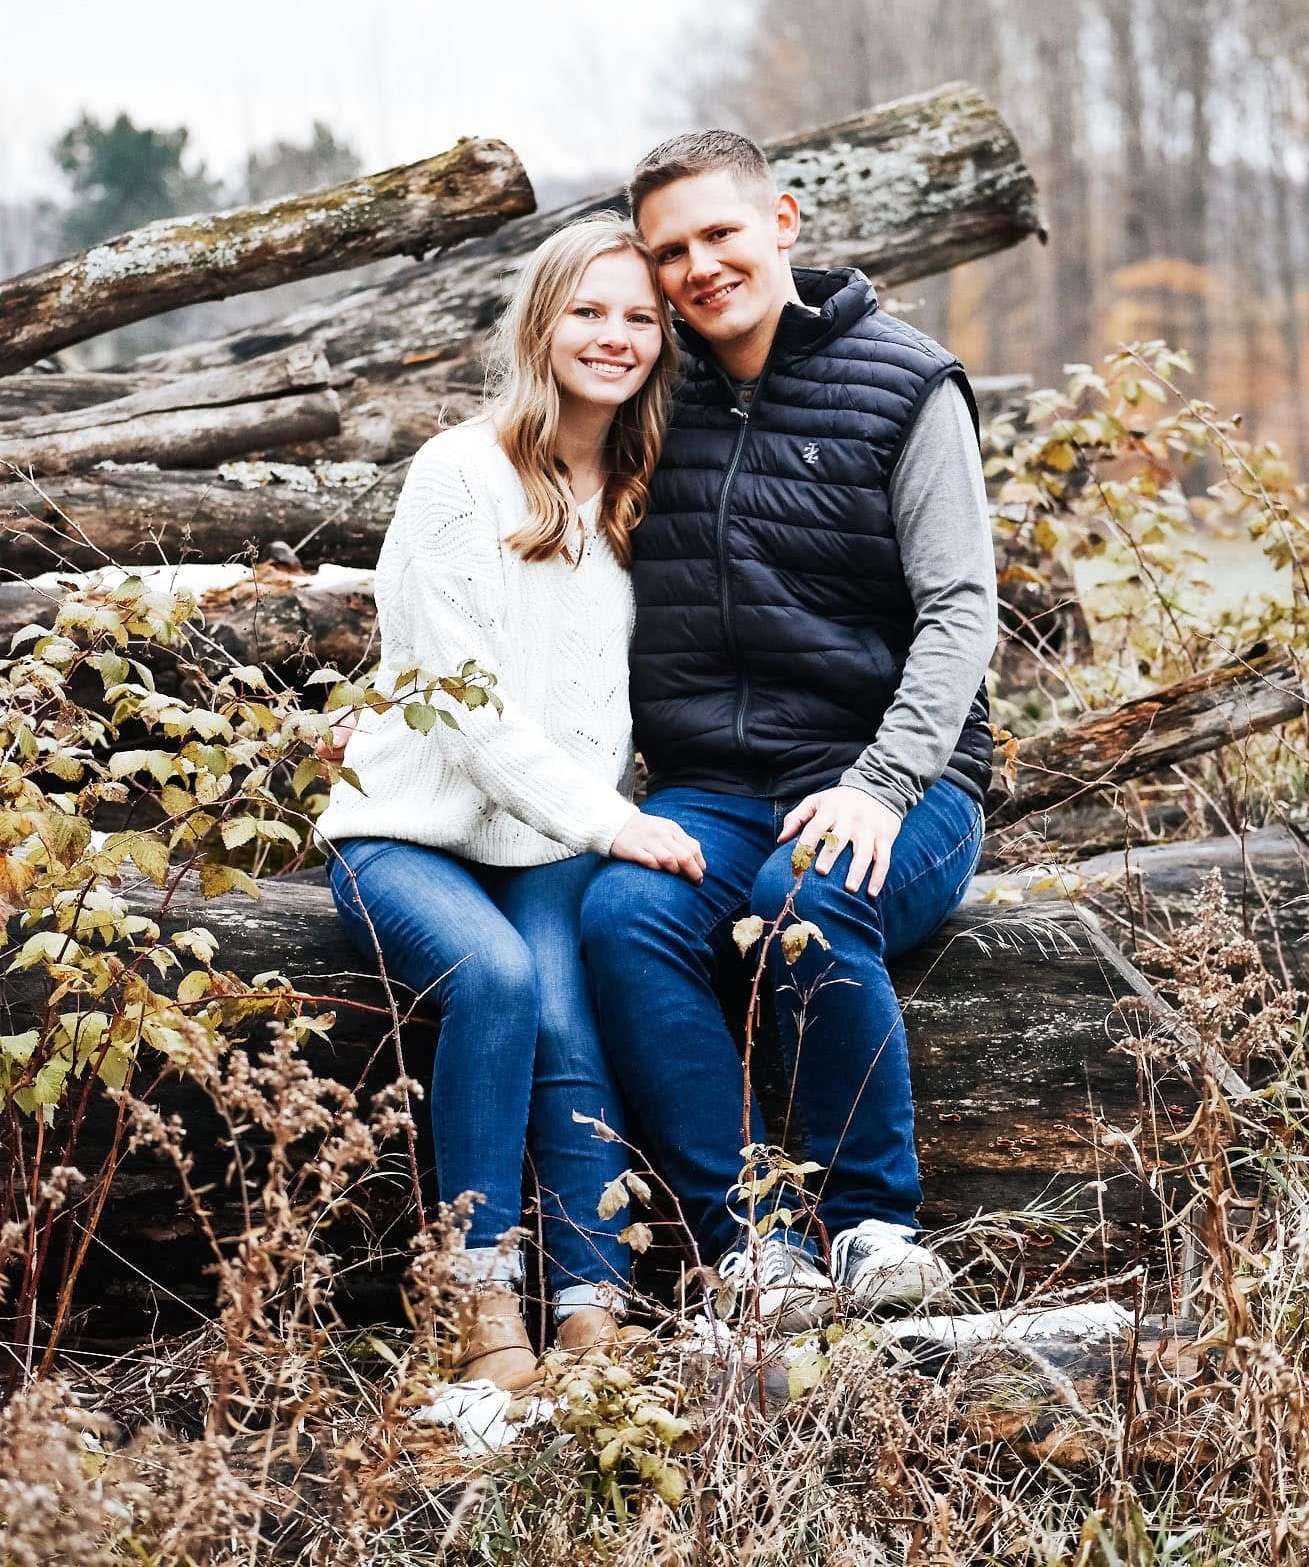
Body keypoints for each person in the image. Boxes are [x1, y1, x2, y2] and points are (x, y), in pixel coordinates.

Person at [580, 130, 997, 1331]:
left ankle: (878, 1226)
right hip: (710, 782)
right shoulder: (650, 394)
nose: (700, 266)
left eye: (721, 233)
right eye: (672, 250)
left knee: (804, 900)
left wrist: (881, 780)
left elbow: (963, 606)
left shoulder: (906, 382)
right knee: (625, 913)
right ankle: (754, 1245)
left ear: (785, 222)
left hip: (899, 782)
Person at [318, 217, 703, 1389]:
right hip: (404, 832)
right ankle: (479, 1301)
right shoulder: (460, 472)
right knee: (494, 977)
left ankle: (590, 1308)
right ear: (541, 321)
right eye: (590, 310)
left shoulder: (646, 485)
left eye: (641, 317)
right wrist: (613, 820)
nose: (616, 336)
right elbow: (472, 711)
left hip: (547, 839)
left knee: (568, 1010)